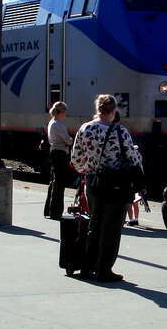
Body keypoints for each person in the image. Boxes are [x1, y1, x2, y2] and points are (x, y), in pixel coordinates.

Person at [70, 94, 142, 282]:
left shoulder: (85, 129)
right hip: (116, 186)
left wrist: (89, 170)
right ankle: (104, 270)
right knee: (112, 228)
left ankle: (86, 267)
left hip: (94, 183)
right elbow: (133, 161)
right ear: (114, 110)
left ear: (98, 109)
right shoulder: (120, 131)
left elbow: (76, 160)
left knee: (94, 225)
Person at [43, 101, 73, 221]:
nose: (65, 114)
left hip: (54, 152)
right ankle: (56, 211)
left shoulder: (51, 122)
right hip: (60, 153)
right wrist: (71, 139)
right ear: (60, 112)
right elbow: (68, 140)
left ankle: (49, 210)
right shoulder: (58, 125)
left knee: (54, 182)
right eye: (64, 112)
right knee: (59, 183)